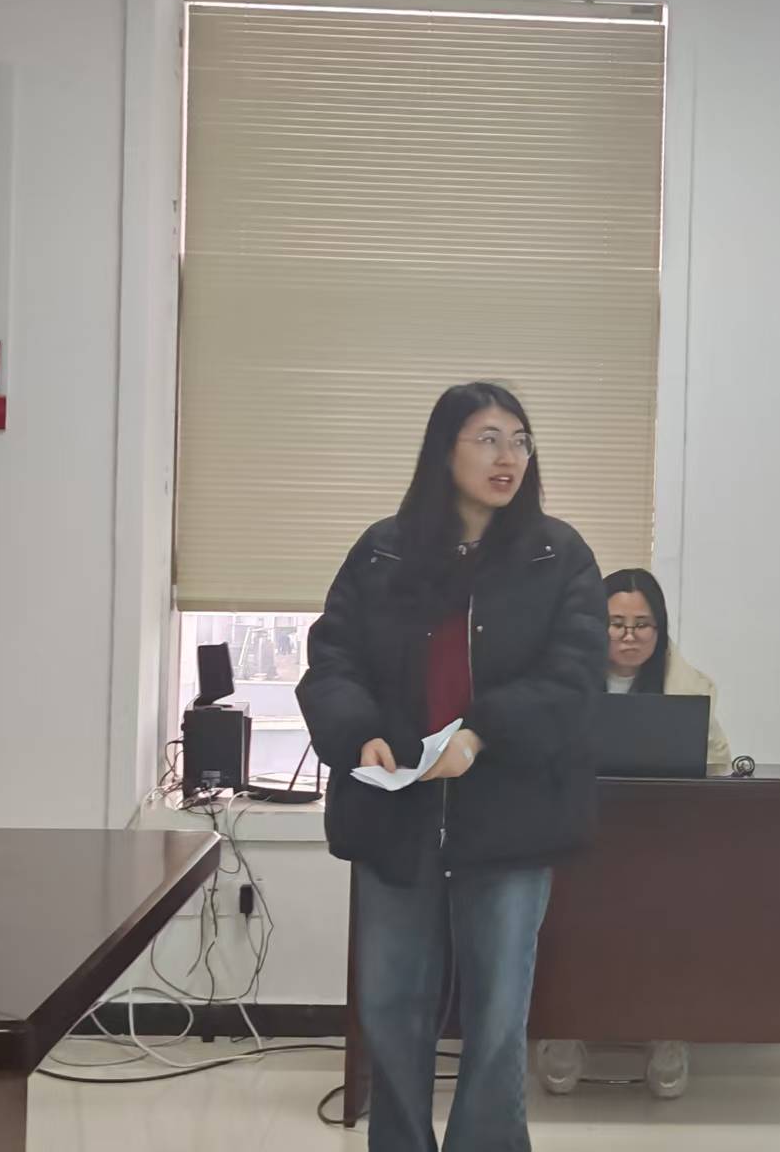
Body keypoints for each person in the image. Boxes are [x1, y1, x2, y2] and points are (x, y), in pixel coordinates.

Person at [298, 382, 606, 1152]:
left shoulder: (558, 555)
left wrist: (480, 734)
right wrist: (358, 734)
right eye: (488, 438)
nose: (509, 457)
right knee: (391, 1007)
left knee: (497, 1015)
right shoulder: (384, 551)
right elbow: (332, 658)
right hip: (397, 812)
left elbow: (573, 676)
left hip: (510, 818)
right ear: (445, 450)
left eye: (520, 440)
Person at [536, 567, 729, 1101]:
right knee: (564, 923)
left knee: (671, 922)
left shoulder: (691, 688)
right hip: (575, 838)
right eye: (615, 623)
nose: (628, 636)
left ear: (659, 629)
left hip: (660, 842)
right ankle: (562, 1030)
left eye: (642, 624)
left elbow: (716, 765)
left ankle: (668, 1033)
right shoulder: (560, 681)